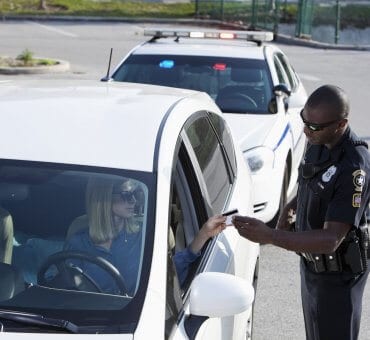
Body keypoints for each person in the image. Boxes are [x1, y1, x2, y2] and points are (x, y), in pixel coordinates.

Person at [233, 85, 370, 340]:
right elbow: (311, 184)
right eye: (304, 121)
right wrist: (289, 208)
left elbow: (331, 240)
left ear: (341, 125)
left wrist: (269, 236)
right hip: (312, 268)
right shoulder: (317, 140)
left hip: (338, 280)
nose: (306, 131)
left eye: (314, 127)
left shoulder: (354, 167)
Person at [65, 177, 226, 295]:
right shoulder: (77, 244)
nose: (134, 201)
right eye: (127, 195)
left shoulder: (143, 237)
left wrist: (203, 235)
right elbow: (65, 290)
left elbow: (169, 274)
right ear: (104, 198)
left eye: (135, 194)